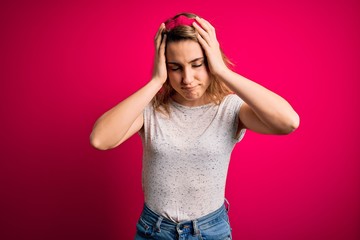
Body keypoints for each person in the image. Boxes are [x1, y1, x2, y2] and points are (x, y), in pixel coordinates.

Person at [90, 12, 299, 240]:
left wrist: (222, 71)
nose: (187, 78)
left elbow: (288, 122)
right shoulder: (151, 109)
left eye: (197, 64)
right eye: (175, 67)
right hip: (154, 231)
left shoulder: (229, 109)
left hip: (210, 231)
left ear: (210, 60)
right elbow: (100, 140)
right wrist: (155, 81)